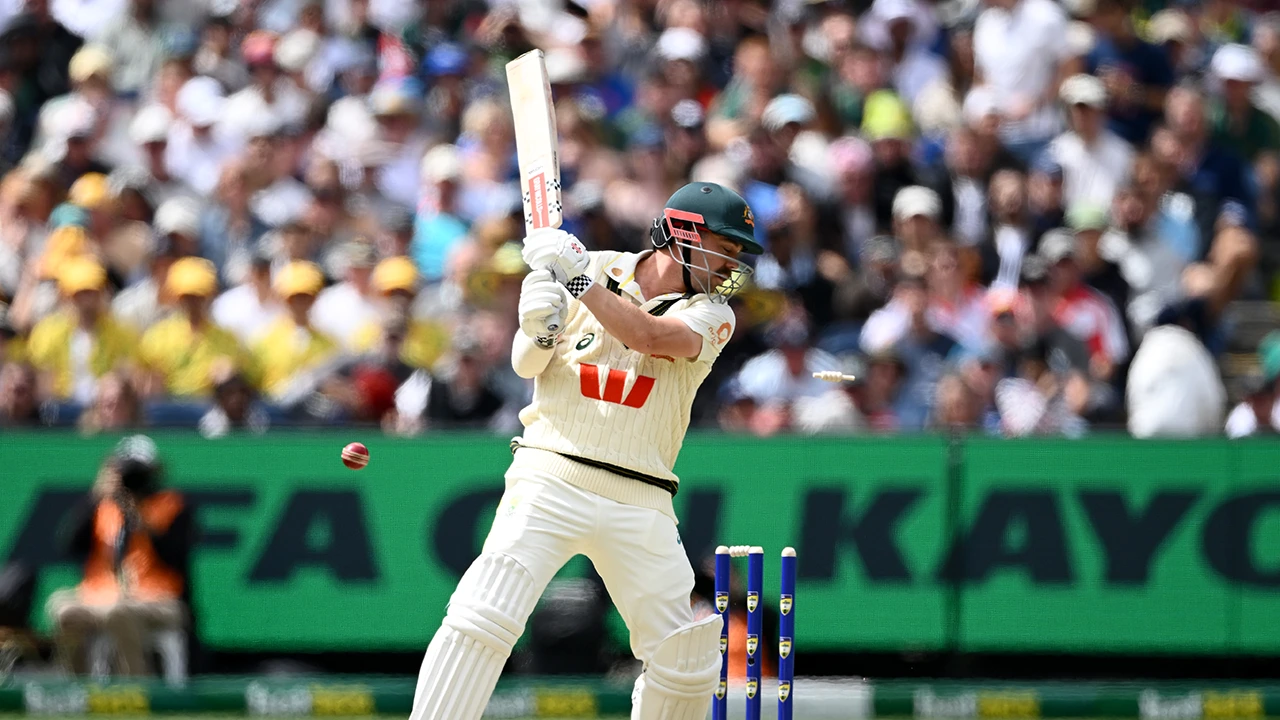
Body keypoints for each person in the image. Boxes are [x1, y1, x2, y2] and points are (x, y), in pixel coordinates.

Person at [409, 181, 762, 720]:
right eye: (726, 247)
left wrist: (576, 280)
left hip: (641, 497)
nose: (731, 264)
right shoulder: (591, 264)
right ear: (682, 233)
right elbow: (527, 365)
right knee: (483, 616)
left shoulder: (713, 315)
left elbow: (649, 337)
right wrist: (537, 326)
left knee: (687, 656)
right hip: (551, 472)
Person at [48, 436, 194, 677]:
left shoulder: (172, 504)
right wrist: (95, 496)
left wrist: (143, 519)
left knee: (119, 612)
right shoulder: (102, 506)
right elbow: (69, 545)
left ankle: (137, 689)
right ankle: (80, 688)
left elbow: (177, 556)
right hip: (102, 595)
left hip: (159, 599)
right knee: (62, 608)